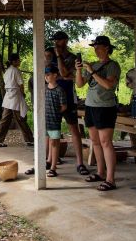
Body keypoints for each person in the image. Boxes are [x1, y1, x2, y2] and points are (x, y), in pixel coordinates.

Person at [75, 36, 121, 191]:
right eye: (94, 46)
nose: (95, 49)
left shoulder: (113, 65)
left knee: (106, 142)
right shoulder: (93, 65)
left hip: (105, 107)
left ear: (107, 48)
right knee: (95, 142)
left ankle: (111, 179)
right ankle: (101, 173)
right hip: (90, 106)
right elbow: (80, 84)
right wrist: (79, 70)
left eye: (98, 46)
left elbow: (108, 85)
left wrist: (92, 71)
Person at [51, 30, 89, 175]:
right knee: (52, 132)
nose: (56, 43)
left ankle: (80, 163)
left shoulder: (73, 57)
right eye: (55, 40)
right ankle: (50, 162)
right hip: (53, 98)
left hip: (68, 97)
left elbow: (65, 73)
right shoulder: (50, 56)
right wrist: (62, 75)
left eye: (59, 40)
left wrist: (60, 60)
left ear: (65, 41)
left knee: (74, 130)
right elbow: (48, 75)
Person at [0, 53, 34, 147]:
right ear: (14, 61)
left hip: (8, 96)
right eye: (18, 60)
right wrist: (22, 94)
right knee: (21, 118)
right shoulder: (16, 70)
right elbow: (21, 85)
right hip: (15, 97)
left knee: (5, 119)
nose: (19, 61)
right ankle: (30, 139)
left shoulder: (7, 71)